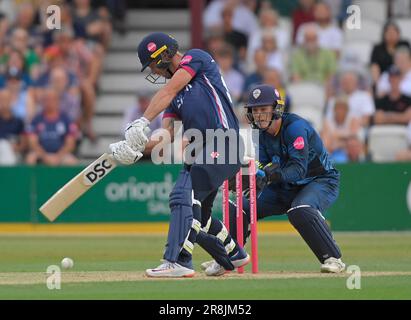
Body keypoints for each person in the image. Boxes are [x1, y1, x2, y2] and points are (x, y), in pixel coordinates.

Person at [109, 32, 249, 278]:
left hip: (225, 143)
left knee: (188, 194)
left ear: (163, 56)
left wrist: (142, 120)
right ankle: (233, 254)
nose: (153, 71)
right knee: (199, 213)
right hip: (200, 152)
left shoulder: (197, 59)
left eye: (152, 64)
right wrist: (134, 150)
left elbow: (170, 90)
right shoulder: (174, 99)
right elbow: (165, 137)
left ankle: (179, 260)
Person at [205, 84, 346, 275]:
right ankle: (230, 256)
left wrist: (269, 175)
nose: (259, 115)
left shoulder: (295, 128)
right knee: (238, 206)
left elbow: (298, 169)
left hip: (319, 181)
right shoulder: (263, 135)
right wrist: (251, 178)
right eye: (255, 110)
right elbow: (265, 166)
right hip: (286, 185)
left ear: (276, 109)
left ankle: (333, 258)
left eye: (264, 109)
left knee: (300, 210)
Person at [26, 88, 78, 166]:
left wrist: (58, 157)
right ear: (42, 102)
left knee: (72, 161)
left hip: (61, 154)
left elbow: (70, 143)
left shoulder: (66, 119)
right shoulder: (36, 119)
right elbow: (33, 143)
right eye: (46, 99)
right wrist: (45, 157)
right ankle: (31, 178)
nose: (49, 102)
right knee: (30, 159)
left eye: (52, 99)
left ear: (57, 101)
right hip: (41, 154)